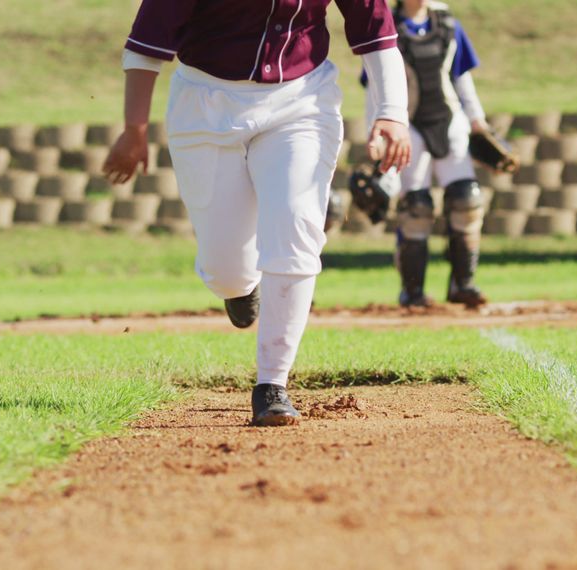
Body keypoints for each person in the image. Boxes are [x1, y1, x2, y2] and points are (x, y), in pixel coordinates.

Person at [103, 0, 412, 427]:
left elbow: (377, 32)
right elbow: (145, 46)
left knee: (296, 226)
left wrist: (392, 114)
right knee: (225, 269)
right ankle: (240, 285)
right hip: (206, 102)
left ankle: (272, 383)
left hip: (301, 101)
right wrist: (134, 130)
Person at [366, 0, 490, 308]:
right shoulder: (386, 26)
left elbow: (460, 76)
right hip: (409, 127)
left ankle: (464, 283)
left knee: (466, 199)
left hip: (450, 121)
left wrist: (478, 120)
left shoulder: (447, 24)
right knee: (416, 208)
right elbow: (376, 86)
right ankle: (413, 291)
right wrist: (378, 132)